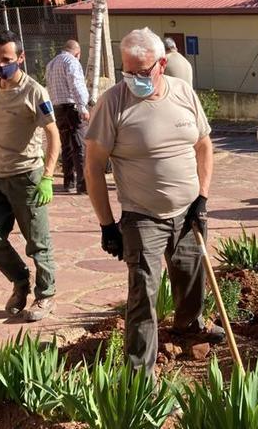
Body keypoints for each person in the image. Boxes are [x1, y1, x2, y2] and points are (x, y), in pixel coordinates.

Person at [84, 27, 224, 377]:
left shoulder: (182, 92)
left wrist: (202, 198)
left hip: (189, 209)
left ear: (162, 64)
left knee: (191, 279)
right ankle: (138, 377)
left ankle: (190, 329)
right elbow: (93, 167)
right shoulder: (113, 103)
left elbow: (204, 145)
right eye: (127, 71)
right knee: (144, 295)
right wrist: (106, 225)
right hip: (143, 216)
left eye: (141, 72)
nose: (133, 79)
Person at [0, 30, 61, 322]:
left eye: (7, 59)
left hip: (26, 177)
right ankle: (20, 280)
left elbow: (54, 134)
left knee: (37, 242)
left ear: (21, 58)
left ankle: (45, 295)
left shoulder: (34, 92)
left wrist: (48, 177)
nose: (1, 65)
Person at [46, 40, 91, 194]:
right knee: (79, 145)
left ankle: (68, 181)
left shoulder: (51, 64)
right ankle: (83, 184)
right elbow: (76, 85)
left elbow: (49, 87)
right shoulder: (71, 62)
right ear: (77, 53)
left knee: (66, 146)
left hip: (57, 108)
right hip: (71, 107)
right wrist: (83, 107)